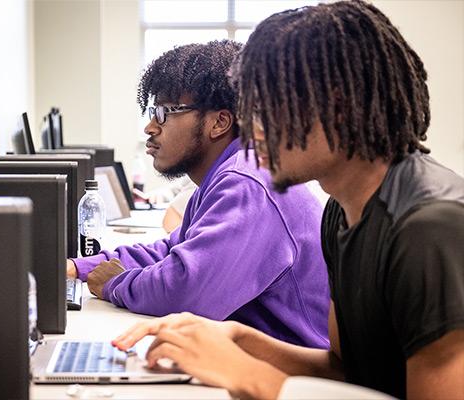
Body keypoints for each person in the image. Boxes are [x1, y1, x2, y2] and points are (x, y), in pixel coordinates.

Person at [112, 2, 464, 399]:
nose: (252, 130)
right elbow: (347, 370)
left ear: (338, 108)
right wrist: (239, 341)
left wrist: (252, 376)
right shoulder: (342, 211)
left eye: (265, 109)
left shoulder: (429, 226)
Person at [67, 40, 330, 349]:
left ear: (218, 122)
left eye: (165, 112)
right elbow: (170, 251)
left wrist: (114, 283)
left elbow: (186, 290)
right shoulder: (225, 176)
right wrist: (81, 267)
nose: (150, 128)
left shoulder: (247, 181)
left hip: (289, 378)